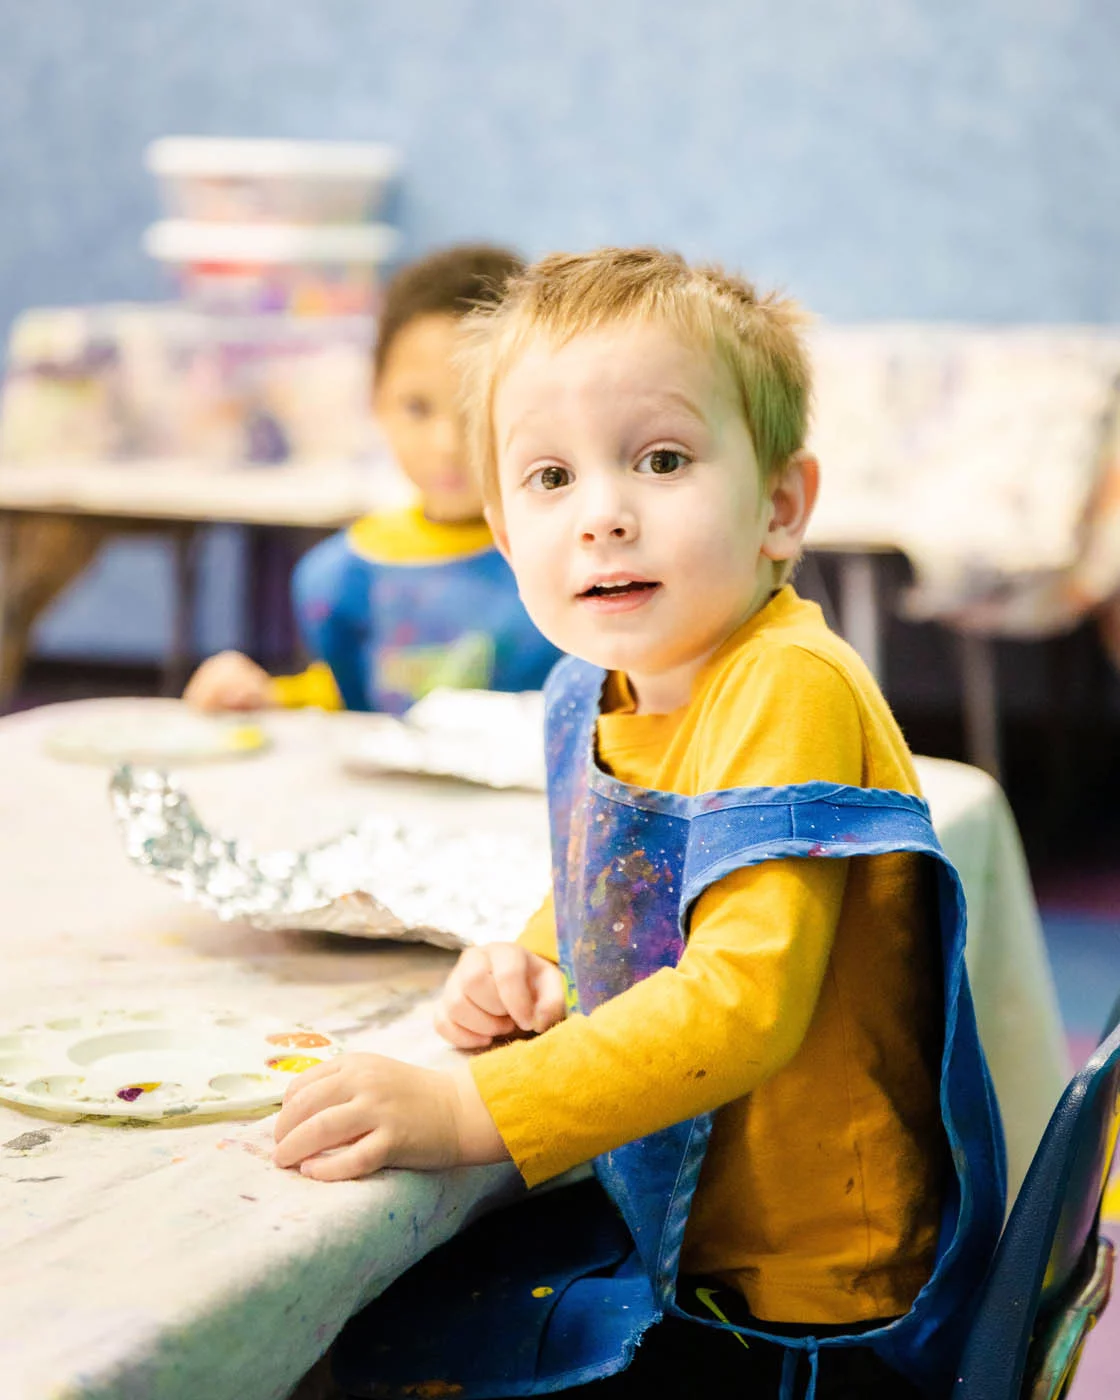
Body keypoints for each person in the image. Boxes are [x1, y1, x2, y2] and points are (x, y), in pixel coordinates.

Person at [270, 248, 1005, 1399]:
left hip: (806, 1292)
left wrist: (472, 1107)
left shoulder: (785, 683)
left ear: (779, 504)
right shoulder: (592, 684)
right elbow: (614, 877)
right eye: (550, 476)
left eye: (660, 459)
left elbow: (740, 1005)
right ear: (506, 535)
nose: (603, 513)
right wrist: (537, 955)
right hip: (673, 1215)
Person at [183, 244, 561, 715]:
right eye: (417, 408)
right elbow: (349, 696)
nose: (447, 443)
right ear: (376, 400)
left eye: (475, 408)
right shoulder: (342, 578)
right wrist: (263, 696)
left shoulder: (571, 558)